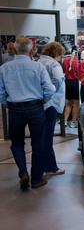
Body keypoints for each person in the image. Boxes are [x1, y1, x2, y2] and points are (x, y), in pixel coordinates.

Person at [0, 37, 55, 189]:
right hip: (35, 107)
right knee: (38, 143)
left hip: (15, 108)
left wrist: (7, 103)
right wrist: (42, 101)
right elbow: (50, 89)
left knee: (17, 143)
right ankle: (36, 179)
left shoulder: (4, 68)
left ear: (15, 50)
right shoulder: (37, 67)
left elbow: (1, 92)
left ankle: (23, 173)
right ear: (31, 50)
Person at [38, 42, 66, 176]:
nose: (60, 58)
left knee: (41, 136)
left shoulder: (37, 62)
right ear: (56, 54)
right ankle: (50, 167)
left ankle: (42, 165)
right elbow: (57, 80)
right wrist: (49, 95)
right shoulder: (54, 65)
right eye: (60, 56)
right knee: (47, 136)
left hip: (39, 104)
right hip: (51, 103)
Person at [62, 46, 80, 128]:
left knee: (69, 102)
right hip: (75, 82)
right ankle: (73, 122)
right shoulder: (77, 62)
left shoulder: (65, 60)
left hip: (67, 82)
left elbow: (63, 71)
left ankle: (65, 121)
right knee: (76, 103)